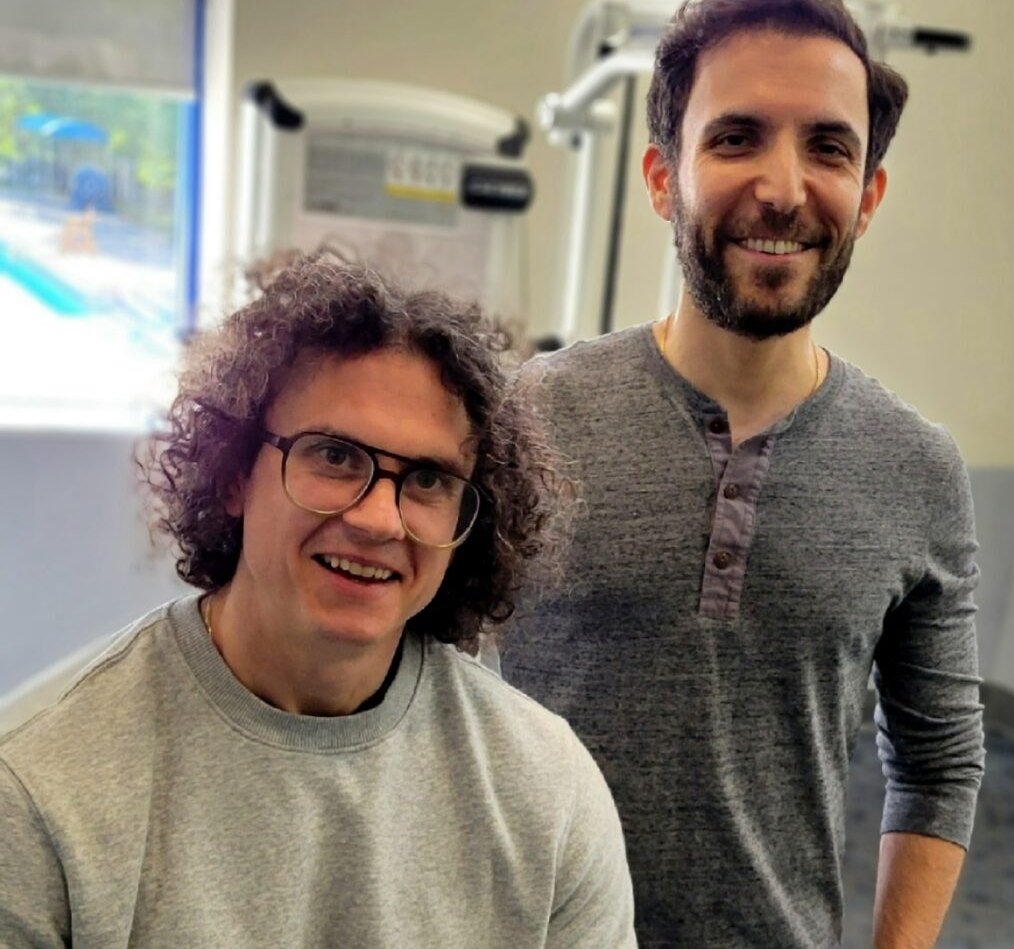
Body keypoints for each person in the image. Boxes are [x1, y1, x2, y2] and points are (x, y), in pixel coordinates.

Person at [501, 0, 984, 949]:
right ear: (660, 176)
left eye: (827, 147)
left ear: (867, 196)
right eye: (735, 137)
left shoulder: (918, 470)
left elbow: (937, 761)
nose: (781, 185)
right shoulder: (528, 416)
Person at [0, 252, 637, 948]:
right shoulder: (43, 794)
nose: (380, 520)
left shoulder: (545, 789)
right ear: (235, 472)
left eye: (427, 479)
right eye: (335, 457)